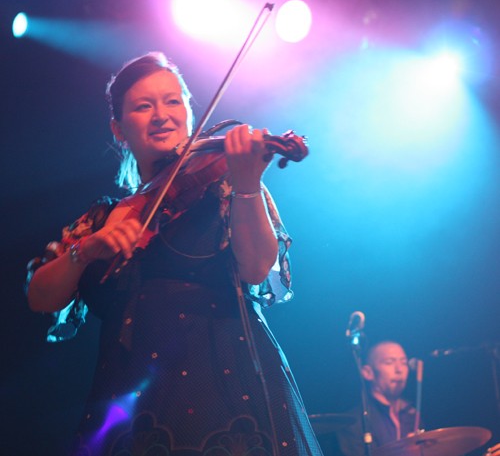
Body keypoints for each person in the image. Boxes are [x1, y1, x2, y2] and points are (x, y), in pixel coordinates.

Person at [26, 52, 323, 456]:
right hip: (126, 400)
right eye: (143, 106)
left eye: (172, 101)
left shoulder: (223, 185)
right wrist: (84, 252)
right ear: (118, 129)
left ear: (187, 110)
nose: (161, 115)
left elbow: (256, 269)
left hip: (224, 387)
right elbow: (41, 296)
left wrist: (248, 185)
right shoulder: (102, 218)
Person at [335, 341, 499, 456]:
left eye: (404, 362)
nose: (399, 369)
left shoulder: (412, 413)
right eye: (389, 362)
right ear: (367, 372)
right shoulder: (354, 423)